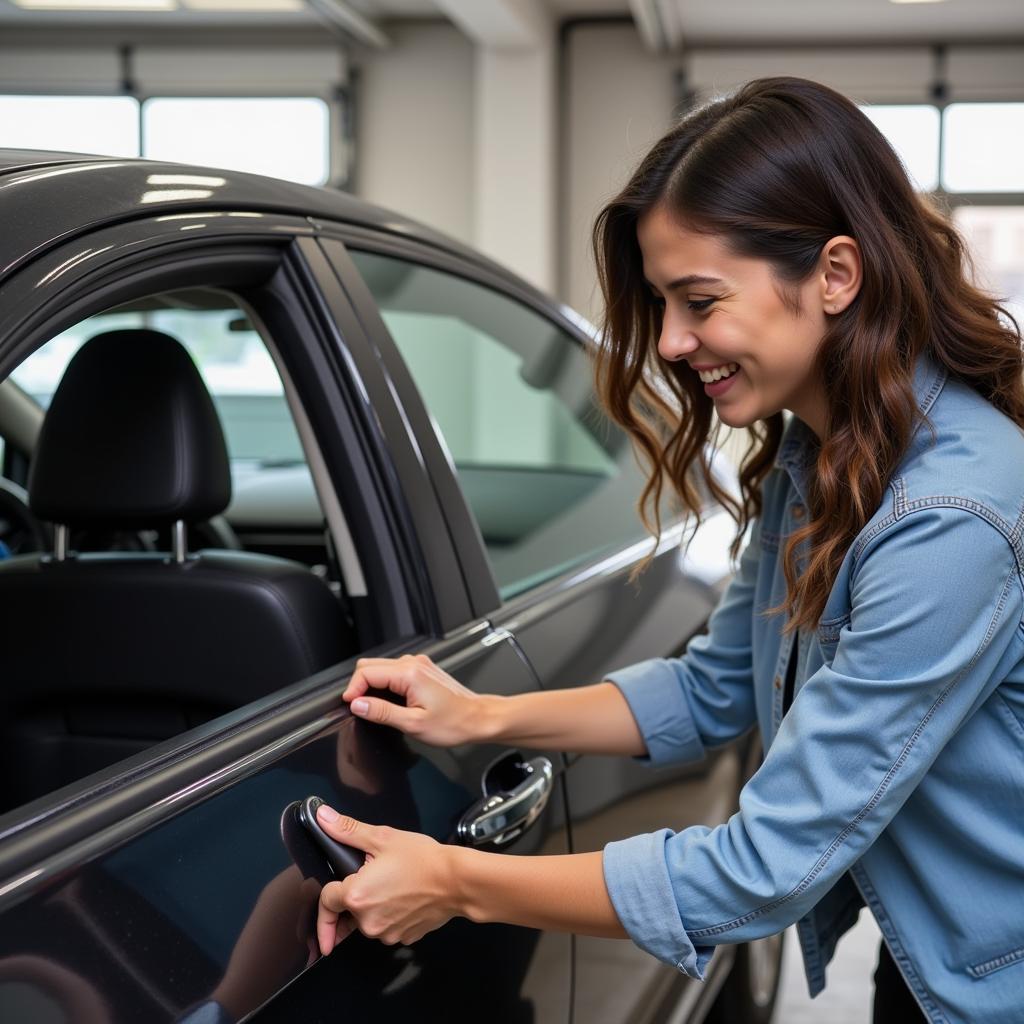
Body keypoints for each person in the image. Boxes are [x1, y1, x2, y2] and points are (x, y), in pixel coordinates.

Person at [314, 77, 1024, 1024]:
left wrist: (455, 880)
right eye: (661, 302)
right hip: (943, 958)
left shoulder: (949, 516)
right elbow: (714, 688)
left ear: (836, 275)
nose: (671, 342)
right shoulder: (818, 454)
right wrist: (483, 716)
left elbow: (762, 870)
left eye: (700, 300)